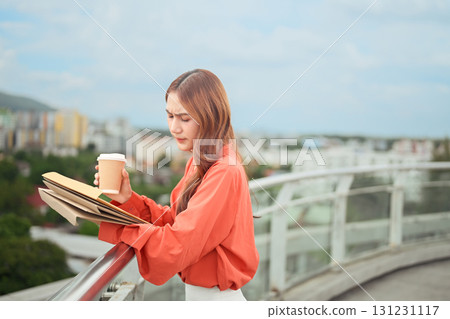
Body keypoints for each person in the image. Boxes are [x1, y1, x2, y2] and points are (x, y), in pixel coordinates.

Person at [94, 69, 259, 301]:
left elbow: (179, 244)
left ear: (210, 117)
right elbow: (176, 220)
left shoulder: (224, 170)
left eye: (184, 118)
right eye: (170, 116)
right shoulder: (200, 161)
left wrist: (125, 229)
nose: (174, 128)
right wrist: (127, 199)